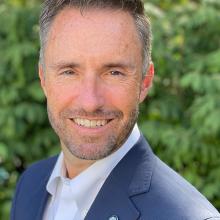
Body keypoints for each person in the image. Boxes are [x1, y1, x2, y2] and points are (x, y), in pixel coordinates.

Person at [10, 0, 220, 220]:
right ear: (44, 78)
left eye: (114, 73)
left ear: (145, 82)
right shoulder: (30, 184)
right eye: (69, 72)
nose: (90, 102)